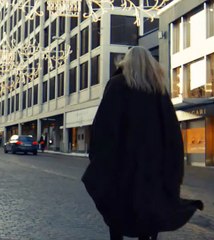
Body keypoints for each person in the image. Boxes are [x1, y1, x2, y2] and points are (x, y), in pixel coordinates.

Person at [81, 46, 203, 240]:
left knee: (118, 213)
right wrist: (172, 170)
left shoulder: (117, 85)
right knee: (149, 215)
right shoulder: (158, 90)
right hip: (152, 169)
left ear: (125, 63)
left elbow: (104, 127)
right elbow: (171, 134)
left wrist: (99, 159)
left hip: (121, 168)